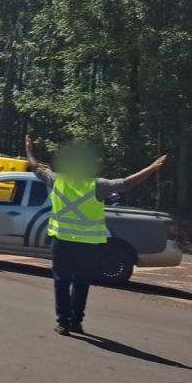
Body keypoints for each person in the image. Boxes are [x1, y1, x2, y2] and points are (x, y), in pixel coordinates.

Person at [25, 135, 167, 336]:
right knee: (82, 283)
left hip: (63, 241)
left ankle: (63, 323)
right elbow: (126, 183)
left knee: (62, 282)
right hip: (89, 244)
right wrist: (151, 169)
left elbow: (35, 167)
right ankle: (76, 321)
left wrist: (29, 149)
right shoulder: (98, 185)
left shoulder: (58, 180)